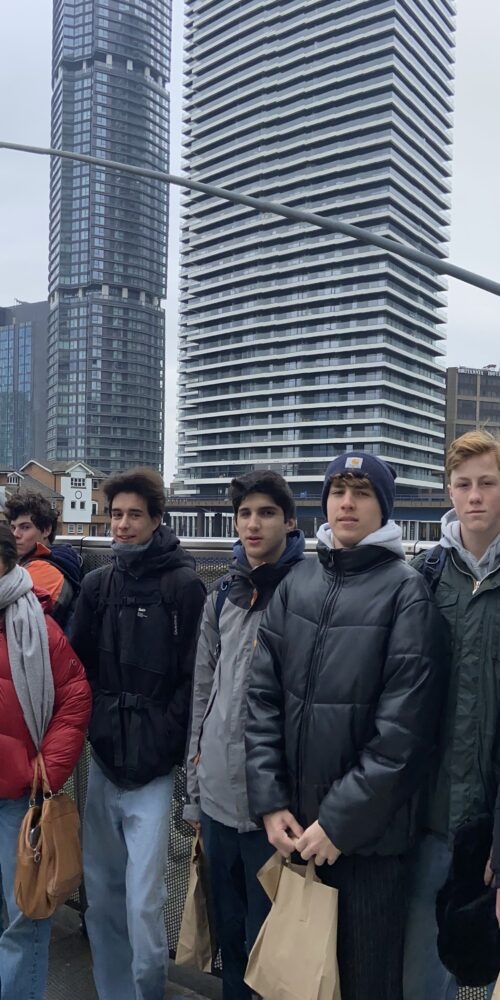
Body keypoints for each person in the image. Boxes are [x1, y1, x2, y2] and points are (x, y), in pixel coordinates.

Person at [245, 451, 448, 1000]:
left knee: (364, 984)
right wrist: (270, 801)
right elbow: (261, 698)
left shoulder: (407, 592)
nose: (347, 504)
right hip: (294, 832)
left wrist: (338, 822)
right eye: (338, 491)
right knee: (291, 982)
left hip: (369, 847)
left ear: (384, 507)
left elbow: (404, 734)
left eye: (362, 493)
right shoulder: (299, 582)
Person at [70, 467, 206, 1000]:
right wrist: (99, 720)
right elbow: (78, 666)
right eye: (116, 514)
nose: (122, 525)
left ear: (156, 519)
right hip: (106, 757)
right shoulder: (98, 584)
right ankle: (113, 993)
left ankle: (146, 990)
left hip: (153, 768)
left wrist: (165, 736)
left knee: (145, 902)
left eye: (133, 515)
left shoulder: (184, 586)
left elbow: (195, 676)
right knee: (102, 895)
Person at [184, 470, 305, 1000]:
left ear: (291, 521)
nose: (253, 524)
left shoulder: (308, 590)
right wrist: (194, 792)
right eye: (244, 514)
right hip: (216, 796)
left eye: (267, 513)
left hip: (273, 805)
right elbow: (202, 694)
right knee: (230, 940)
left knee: (272, 945)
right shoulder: (221, 595)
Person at [404, 430, 500, 1000]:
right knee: (418, 972)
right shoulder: (426, 573)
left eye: (488, 483)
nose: (475, 496)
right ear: (449, 491)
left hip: (485, 821)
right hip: (426, 813)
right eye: (463, 484)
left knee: (475, 965)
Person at [0, 524, 91, 1000]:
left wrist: (46, 771)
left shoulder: (36, 622)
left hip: (19, 800)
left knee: (25, 913)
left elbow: (75, 696)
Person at [4, 492, 83, 631]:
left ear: (46, 530)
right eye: (13, 527)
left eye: (25, 527)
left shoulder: (45, 570)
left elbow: (17, 622)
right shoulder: (30, 561)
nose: (15, 534)